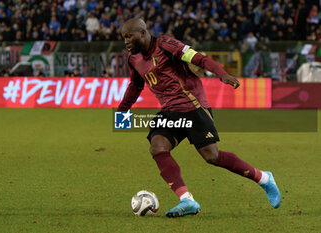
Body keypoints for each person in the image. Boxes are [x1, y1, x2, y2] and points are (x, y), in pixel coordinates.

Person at [117, 18, 281, 218]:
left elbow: (200, 59)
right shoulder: (133, 59)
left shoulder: (167, 45)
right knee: (157, 146)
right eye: (123, 37)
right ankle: (187, 200)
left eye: (128, 36)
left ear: (142, 33)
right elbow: (135, 86)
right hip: (169, 111)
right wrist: (122, 110)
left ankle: (264, 178)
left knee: (212, 156)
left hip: (193, 105)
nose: (125, 41)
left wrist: (221, 74)